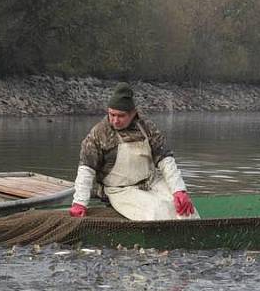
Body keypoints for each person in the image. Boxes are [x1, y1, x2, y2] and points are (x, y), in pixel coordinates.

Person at [68, 83, 197, 221]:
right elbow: (86, 169)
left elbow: (165, 159)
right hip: (120, 190)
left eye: (121, 116)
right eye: (112, 114)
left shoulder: (147, 127)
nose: (115, 120)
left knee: (186, 210)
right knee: (157, 211)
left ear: (133, 113)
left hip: (151, 182)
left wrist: (178, 190)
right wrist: (79, 203)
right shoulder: (98, 133)